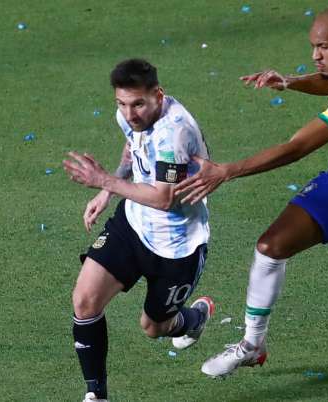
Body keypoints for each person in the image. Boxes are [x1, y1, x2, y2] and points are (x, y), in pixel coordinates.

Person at [174, 6, 328, 377]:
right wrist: (290, 81)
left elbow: (297, 148)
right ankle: (253, 343)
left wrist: (227, 171)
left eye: (323, 47)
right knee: (270, 246)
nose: (315, 55)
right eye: (313, 46)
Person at [63, 58, 215, 402]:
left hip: (178, 247)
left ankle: (192, 318)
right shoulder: (132, 116)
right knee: (85, 300)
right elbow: (132, 145)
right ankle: (96, 395)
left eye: (138, 104)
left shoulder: (174, 133)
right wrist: (107, 191)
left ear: (158, 95)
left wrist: (106, 181)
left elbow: (164, 199)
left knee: (153, 327)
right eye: (122, 103)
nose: (130, 114)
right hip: (132, 225)